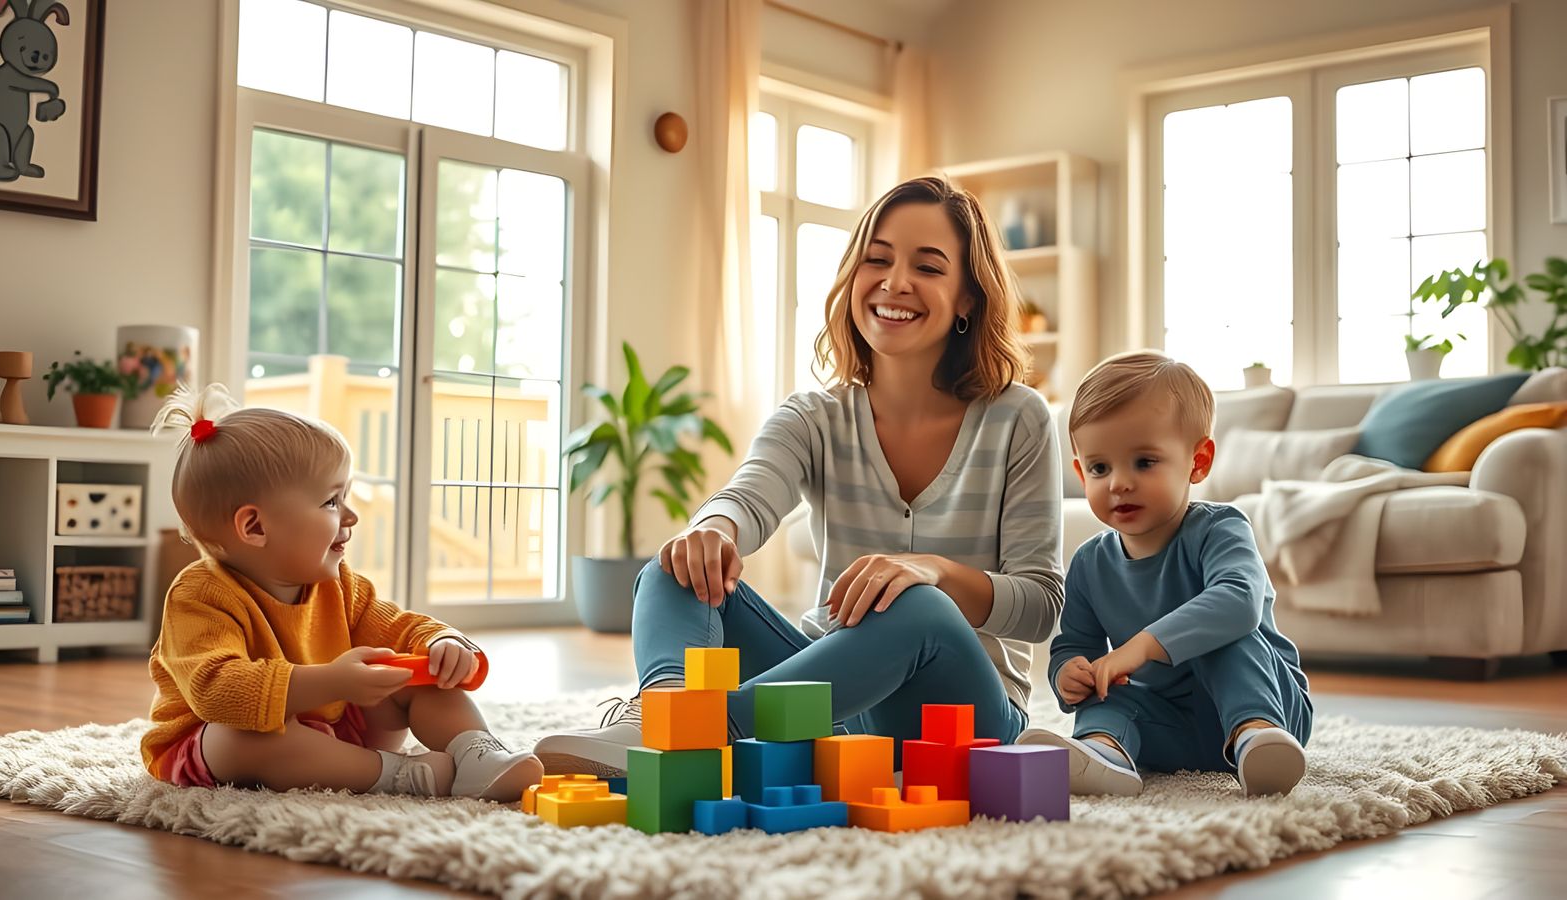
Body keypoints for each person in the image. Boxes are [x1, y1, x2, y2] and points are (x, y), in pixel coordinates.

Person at [534, 176, 1066, 776]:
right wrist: (715, 527)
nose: (895, 282)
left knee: (921, 607)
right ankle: (665, 716)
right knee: (675, 566)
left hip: (960, 719)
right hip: (825, 706)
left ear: (968, 298)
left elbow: (1041, 605)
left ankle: (712, 730)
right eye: (878, 259)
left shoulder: (1019, 417)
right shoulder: (813, 416)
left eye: (929, 266)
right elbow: (749, 495)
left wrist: (935, 571)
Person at [139, 385, 543, 799]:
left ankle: (476, 753)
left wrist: (441, 642)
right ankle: (402, 777)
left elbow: (398, 628)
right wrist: (332, 682)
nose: (350, 515)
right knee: (240, 737)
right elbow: (218, 691)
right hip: (222, 746)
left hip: (334, 727)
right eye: (331, 501)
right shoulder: (200, 594)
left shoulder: (338, 584)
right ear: (255, 527)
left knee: (416, 676)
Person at [1019, 351, 1312, 796]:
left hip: (1268, 707)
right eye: (1100, 467)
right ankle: (1104, 751)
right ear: (1080, 473)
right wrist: (1069, 674)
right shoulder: (1088, 563)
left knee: (1226, 635)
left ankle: (1257, 738)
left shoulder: (1220, 528)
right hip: (1170, 726)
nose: (1119, 482)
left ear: (1197, 462)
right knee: (1108, 684)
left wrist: (1140, 648)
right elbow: (1074, 644)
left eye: (1144, 462)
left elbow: (1239, 601)